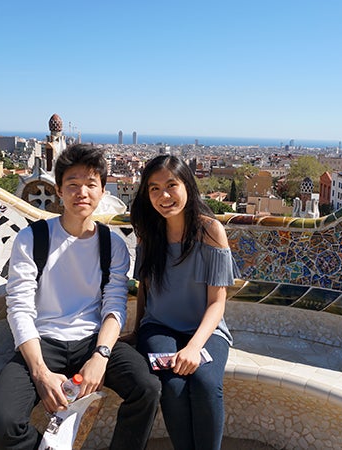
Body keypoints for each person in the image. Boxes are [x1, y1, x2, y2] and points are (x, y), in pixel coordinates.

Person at [0, 144, 161, 450]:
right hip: (43, 342)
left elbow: (114, 307)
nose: (82, 193)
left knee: (147, 388)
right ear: (59, 191)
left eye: (91, 185)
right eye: (73, 185)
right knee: (0, 424)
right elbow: (20, 308)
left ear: (102, 191)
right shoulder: (33, 239)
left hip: (92, 340)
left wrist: (100, 357)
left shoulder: (112, 245)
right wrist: (39, 372)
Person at [130, 154, 239, 450]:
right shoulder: (148, 233)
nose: (163, 196)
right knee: (172, 385)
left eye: (171, 185)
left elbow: (217, 302)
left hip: (205, 330)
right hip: (159, 327)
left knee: (205, 383)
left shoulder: (210, 231)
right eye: (154, 188)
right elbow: (145, 288)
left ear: (187, 186)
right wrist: (138, 330)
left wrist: (193, 347)